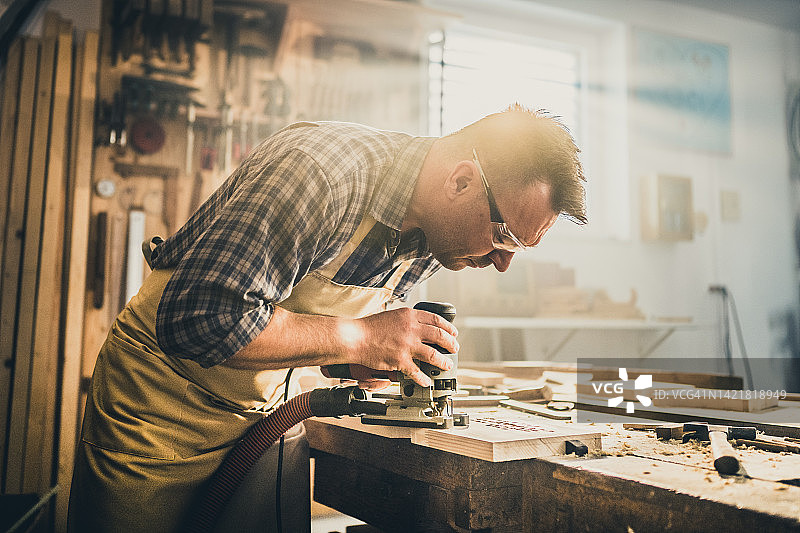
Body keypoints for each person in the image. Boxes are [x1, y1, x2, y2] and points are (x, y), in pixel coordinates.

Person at [68, 103, 586, 532]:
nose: (502, 262)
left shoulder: (437, 238)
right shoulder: (322, 175)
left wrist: (364, 359)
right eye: (504, 236)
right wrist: (360, 338)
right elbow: (201, 319)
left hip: (263, 421)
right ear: (460, 182)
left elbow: (304, 323)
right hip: (159, 416)